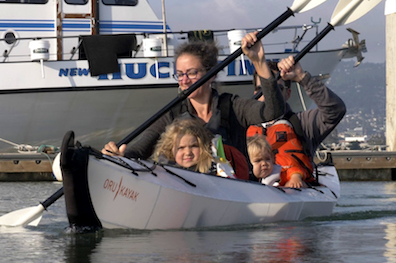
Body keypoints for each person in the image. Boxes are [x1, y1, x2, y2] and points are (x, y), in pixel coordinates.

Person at [102, 33, 284, 172]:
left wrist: (259, 62)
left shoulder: (233, 106)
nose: (185, 81)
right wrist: (121, 156)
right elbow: (141, 149)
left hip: (234, 192)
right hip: (190, 191)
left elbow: (273, 112)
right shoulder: (173, 114)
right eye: (180, 75)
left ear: (211, 74)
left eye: (191, 73)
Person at [249, 55, 346, 188]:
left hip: (293, 191)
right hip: (251, 192)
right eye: (262, 90)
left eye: (276, 89)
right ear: (255, 92)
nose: (268, 94)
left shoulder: (303, 123)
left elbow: (336, 110)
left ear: (288, 94)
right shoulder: (243, 125)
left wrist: (302, 77)